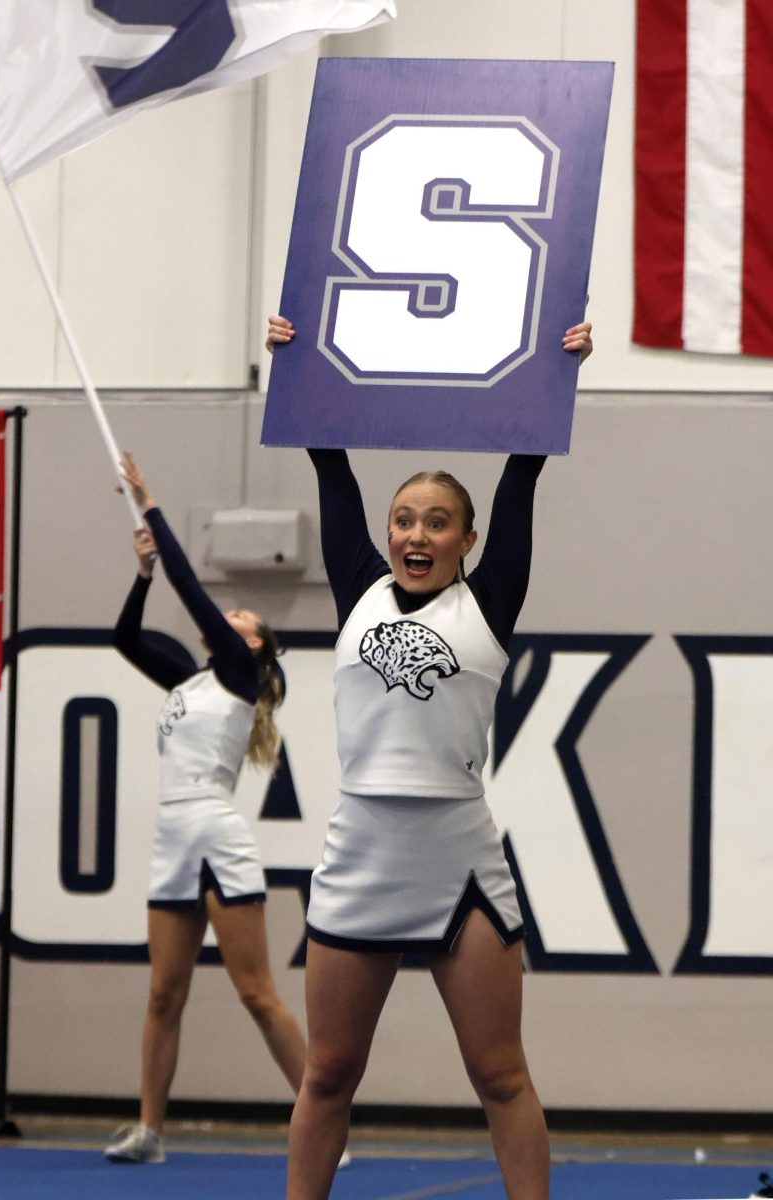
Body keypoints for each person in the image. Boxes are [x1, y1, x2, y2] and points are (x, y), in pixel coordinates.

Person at [267, 313, 593, 1200]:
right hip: (362, 852)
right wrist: (292, 355)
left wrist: (560, 369)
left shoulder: (487, 607)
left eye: (438, 523)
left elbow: (525, 466)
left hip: (459, 860)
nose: (417, 535)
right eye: (404, 520)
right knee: (328, 1076)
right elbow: (325, 455)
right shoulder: (356, 591)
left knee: (500, 1076)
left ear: (468, 540)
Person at [105, 451, 309, 1164]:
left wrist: (152, 503)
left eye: (245, 616)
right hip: (171, 837)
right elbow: (126, 639)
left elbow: (193, 592)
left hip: (217, 833)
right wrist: (141, 575)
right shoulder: (189, 680)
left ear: (254, 645)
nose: (233, 614)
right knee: (164, 994)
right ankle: (150, 1131)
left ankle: (321, 1121)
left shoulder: (237, 671)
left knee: (257, 993)